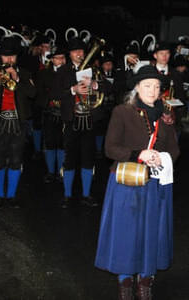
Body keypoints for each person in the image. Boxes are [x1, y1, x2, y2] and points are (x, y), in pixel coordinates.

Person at [94, 65, 180, 300]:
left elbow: (174, 149)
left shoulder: (166, 115)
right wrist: (139, 154)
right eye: (147, 86)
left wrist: (161, 159)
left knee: (151, 231)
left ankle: (145, 279)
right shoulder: (122, 112)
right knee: (126, 232)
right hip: (126, 182)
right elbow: (110, 148)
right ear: (137, 88)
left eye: (156, 87)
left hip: (154, 182)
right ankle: (124, 281)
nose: (152, 91)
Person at [56, 37, 107, 208]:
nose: (79, 54)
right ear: (69, 54)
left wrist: (96, 85)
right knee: (69, 158)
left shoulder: (94, 70)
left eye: (81, 51)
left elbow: (109, 87)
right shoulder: (63, 71)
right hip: (72, 120)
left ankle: (86, 194)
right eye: (75, 51)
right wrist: (73, 89)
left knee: (88, 158)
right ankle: (67, 195)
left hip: (89, 119)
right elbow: (55, 94)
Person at [0, 37, 36, 209]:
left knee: (16, 159)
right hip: (0, 122)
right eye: (6, 57)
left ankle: (11, 196)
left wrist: (17, 78)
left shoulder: (25, 73)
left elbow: (33, 94)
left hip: (18, 122)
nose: (9, 60)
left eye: (12, 56)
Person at [35, 45, 66, 183]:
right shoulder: (44, 73)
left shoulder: (69, 73)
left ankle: (60, 171)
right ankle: (50, 171)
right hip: (50, 112)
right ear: (52, 60)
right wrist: (48, 102)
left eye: (63, 58)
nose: (62, 60)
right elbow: (39, 93)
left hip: (64, 112)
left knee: (62, 143)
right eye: (58, 58)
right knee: (50, 142)